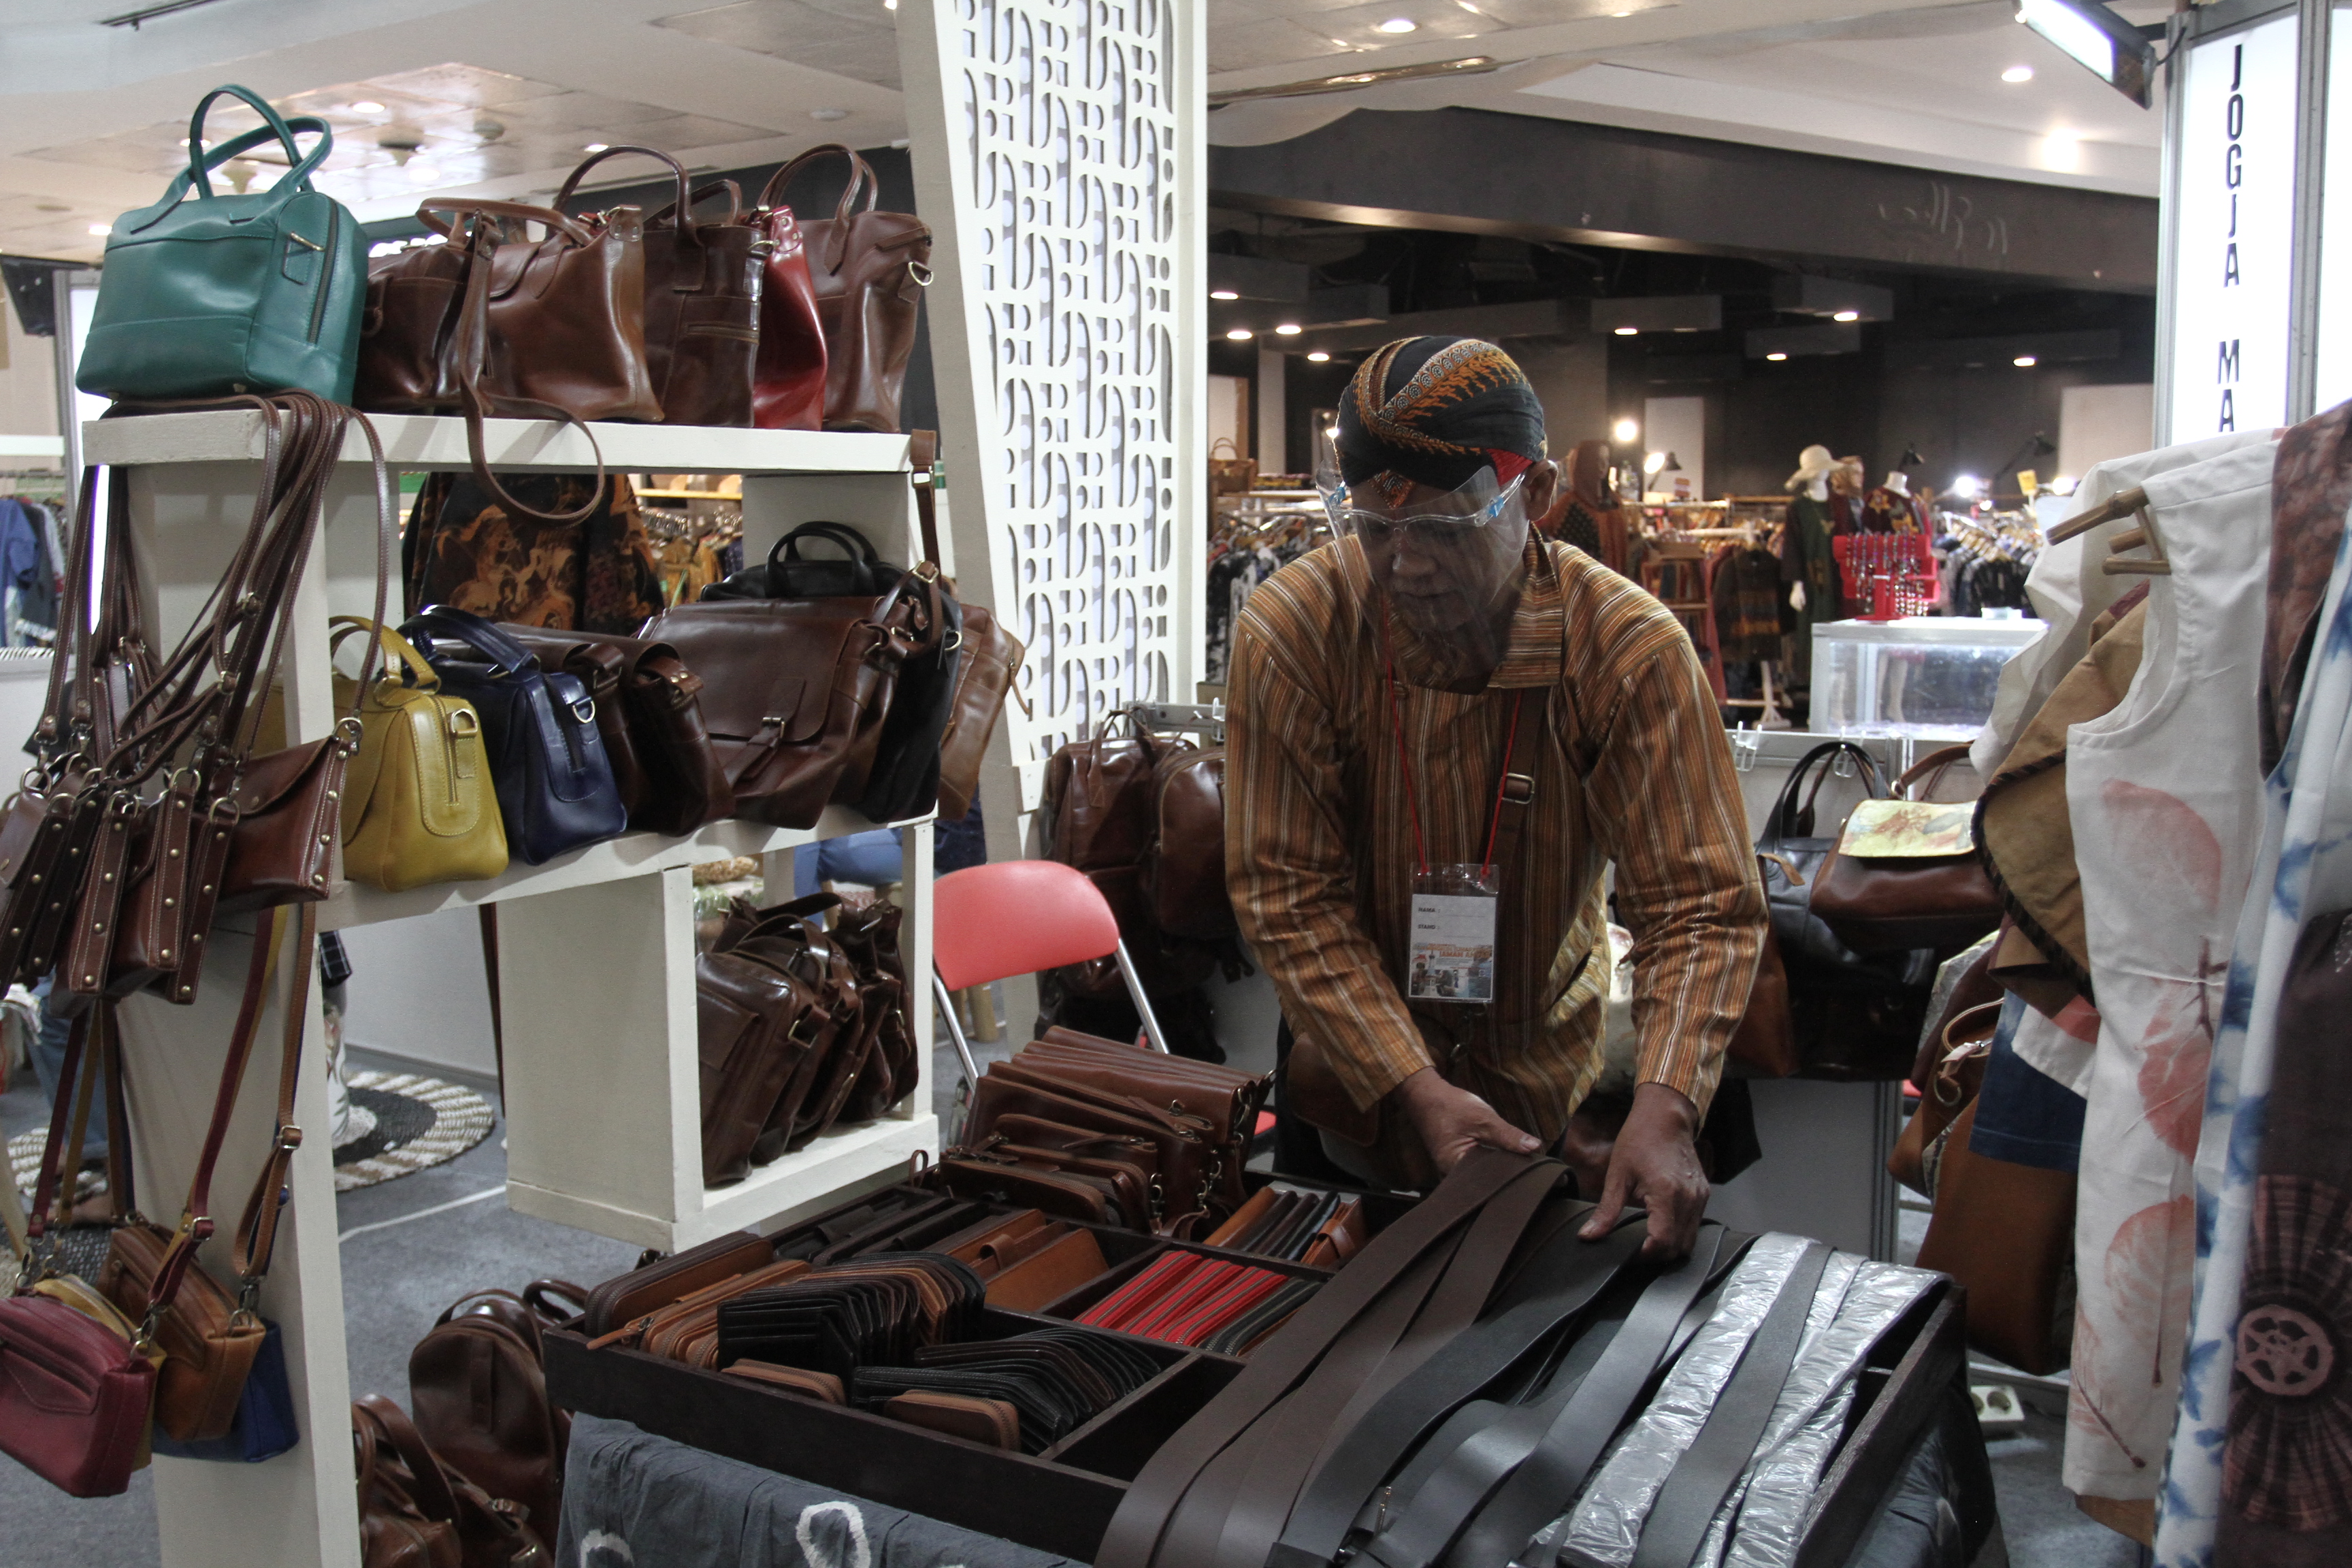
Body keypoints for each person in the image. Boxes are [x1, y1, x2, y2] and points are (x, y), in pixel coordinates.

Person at [1224, 336, 1765, 1258]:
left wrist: (1668, 1102)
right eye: (1375, 530)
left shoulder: (1627, 651)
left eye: (1444, 531)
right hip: (1350, 1078)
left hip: (1544, 1077)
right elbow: (1287, 893)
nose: (1406, 565)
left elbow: (1699, 903)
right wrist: (1413, 1085)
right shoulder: (1296, 630)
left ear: (1538, 493)